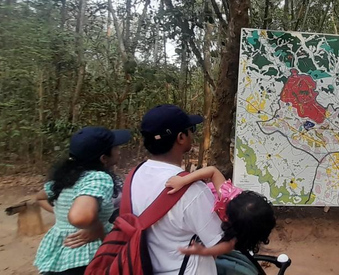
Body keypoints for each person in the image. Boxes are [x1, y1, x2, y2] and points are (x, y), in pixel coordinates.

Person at [131, 104, 224, 275]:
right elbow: (218, 242)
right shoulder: (193, 191)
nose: (192, 134)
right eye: (191, 129)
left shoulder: (133, 177)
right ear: (181, 137)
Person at [34, 126, 131, 275]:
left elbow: (40, 197)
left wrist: (61, 215)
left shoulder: (65, 177)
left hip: (58, 254)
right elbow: (80, 217)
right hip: (86, 256)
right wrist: (96, 227)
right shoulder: (98, 178)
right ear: (103, 159)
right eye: (115, 148)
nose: (119, 151)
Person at [166, 166, 276, 257]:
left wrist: (204, 252)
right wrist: (183, 180)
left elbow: (227, 246)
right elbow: (213, 171)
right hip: (206, 203)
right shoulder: (227, 195)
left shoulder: (239, 232)